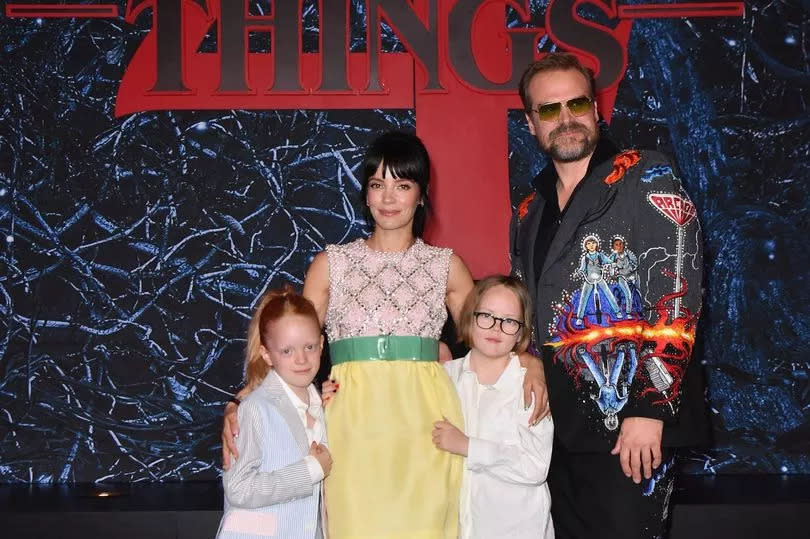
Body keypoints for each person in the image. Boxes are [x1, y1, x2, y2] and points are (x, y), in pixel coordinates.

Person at [222, 131, 549, 538]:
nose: (389, 198)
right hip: (351, 423)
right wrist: (245, 400)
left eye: (403, 185)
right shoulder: (331, 263)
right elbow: (292, 347)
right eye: (378, 185)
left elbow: (493, 331)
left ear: (422, 194)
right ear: (366, 194)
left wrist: (529, 360)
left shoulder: (446, 266)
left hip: (428, 422)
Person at [510, 53, 705, 538]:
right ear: (533, 124)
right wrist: (527, 357)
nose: (566, 119)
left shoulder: (646, 176)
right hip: (555, 431)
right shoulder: (528, 208)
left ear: (596, 109)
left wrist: (649, 409)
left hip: (631, 427)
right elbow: (528, 305)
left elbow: (678, 298)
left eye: (576, 103)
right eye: (549, 110)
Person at [432, 275, 554, 539]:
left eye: (509, 321)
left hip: (516, 528)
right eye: (486, 315)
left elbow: (535, 466)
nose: (496, 328)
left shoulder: (530, 386)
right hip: (458, 526)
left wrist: (469, 446)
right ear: (469, 317)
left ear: (521, 331)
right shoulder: (444, 378)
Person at [217, 286, 331, 539]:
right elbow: (238, 488)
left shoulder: (323, 405)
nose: (301, 359)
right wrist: (310, 470)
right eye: (287, 351)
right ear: (267, 355)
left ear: (322, 344)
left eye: (309, 347)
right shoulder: (255, 408)